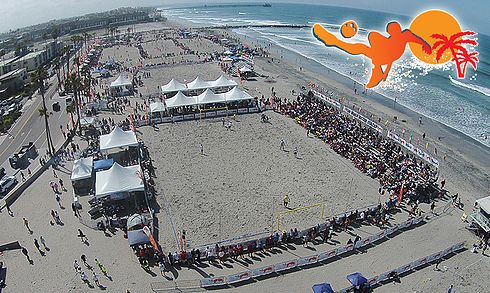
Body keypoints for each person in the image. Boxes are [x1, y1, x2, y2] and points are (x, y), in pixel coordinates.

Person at [313, 21, 431, 88]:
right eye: (390, 31)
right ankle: (335, 42)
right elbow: (390, 61)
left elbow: (417, 39)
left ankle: (335, 42)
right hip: (382, 56)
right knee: (364, 45)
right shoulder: (393, 38)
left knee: (369, 40)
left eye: (393, 30)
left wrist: (426, 46)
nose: (391, 32)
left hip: (384, 57)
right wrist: (384, 72)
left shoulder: (405, 34)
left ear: (398, 28)